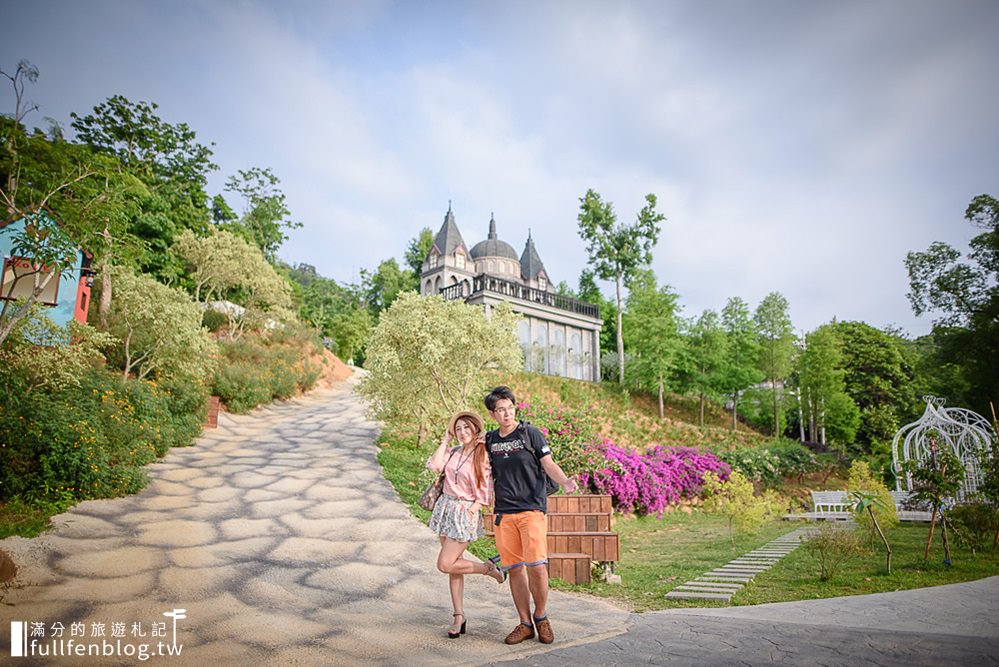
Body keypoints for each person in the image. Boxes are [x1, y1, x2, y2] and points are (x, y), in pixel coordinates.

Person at [483, 385, 577, 646]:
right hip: (504, 513)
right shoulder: (491, 440)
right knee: (514, 569)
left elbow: (548, 464)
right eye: (500, 410)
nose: (507, 414)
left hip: (531, 510)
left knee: (537, 566)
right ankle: (525, 623)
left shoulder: (531, 434)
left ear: (515, 407)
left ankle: (541, 616)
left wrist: (565, 481)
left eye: (510, 408)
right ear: (493, 414)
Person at [426, 410, 505, 639]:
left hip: (464, 510)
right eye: (458, 429)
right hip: (445, 508)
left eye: (466, 428)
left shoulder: (482, 454)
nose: (462, 432)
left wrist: (474, 509)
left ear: (475, 429)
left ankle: (488, 569)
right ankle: (458, 616)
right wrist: (445, 440)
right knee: (453, 565)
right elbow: (434, 465)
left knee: (445, 563)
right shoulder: (453, 452)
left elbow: (487, 486)